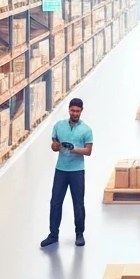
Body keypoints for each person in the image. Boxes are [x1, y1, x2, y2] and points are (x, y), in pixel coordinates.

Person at [41, 98, 93, 248]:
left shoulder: (86, 130)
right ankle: (53, 235)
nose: (75, 113)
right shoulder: (59, 126)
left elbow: (88, 151)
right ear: (69, 110)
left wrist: (73, 149)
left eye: (77, 111)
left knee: (78, 204)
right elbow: (54, 146)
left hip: (77, 171)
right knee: (55, 203)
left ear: (81, 111)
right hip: (61, 170)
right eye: (72, 110)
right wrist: (56, 146)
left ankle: (79, 234)